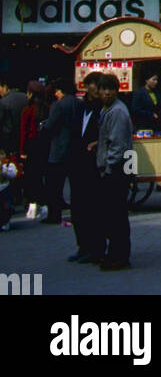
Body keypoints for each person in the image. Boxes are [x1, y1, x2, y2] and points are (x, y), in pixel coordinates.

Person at [95, 73, 133, 271]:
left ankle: (119, 256)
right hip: (115, 167)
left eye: (111, 89)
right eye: (104, 89)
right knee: (113, 214)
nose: (107, 92)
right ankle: (116, 253)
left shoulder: (117, 111)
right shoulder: (108, 109)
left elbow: (117, 145)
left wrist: (108, 167)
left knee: (116, 215)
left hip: (116, 170)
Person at [68, 71, 103, 264]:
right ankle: (82, 245)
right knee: (78, 208)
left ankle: (95, 248)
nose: (97, 90)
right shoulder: (80, 108)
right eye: (94, 85)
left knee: (93, 209)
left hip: (93, 165)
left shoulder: (103, 109)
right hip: (77, 163)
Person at [42, 75, 78, 223]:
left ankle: (54, 215)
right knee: (76, 186)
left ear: (61, 90)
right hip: (75, 149)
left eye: (57, 90)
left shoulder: (58, 105)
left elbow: (50, 126)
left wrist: (43, 127)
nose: (55, 93)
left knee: (54, 186)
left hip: (58, 150)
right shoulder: (79, 103)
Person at [19, 79, 49, 219]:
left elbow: (23, 132)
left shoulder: (28, 109)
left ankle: (32, 205)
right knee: (40, 176)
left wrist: (22, 151)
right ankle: (44, 205)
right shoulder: (46, 108)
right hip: (43, 146)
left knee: (31, 177)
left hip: (30, 146)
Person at [0, 147, 17, 231]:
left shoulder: (8, 164)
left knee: (5, 205)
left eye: (2, 154)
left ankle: (5, 221)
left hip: (4, 188)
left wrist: (2, 169)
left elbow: (13, 174)